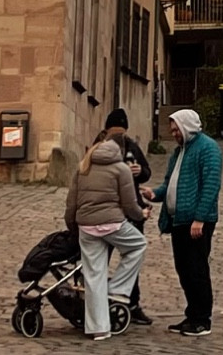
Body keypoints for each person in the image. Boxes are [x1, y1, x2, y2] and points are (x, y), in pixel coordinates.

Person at [65, 134, 148, 342]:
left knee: (93, 275)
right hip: (112, 223)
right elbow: (129, 205)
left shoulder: (83, 167)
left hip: (86, 225)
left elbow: (71, 204)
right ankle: (118, 290)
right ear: (118, 151)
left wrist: (73, 227)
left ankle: (99, 329)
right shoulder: (121, 169)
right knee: (138, 245)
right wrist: (142, 214)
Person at [148, 108, 222, 338]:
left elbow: (210, 186)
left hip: (196, 222)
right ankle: (192, 314)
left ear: (187, 126)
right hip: (179, 220)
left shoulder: (208, 149)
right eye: (172, 129)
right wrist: (153, 194)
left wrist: (199, 218)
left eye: (176, 128)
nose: (173, 133)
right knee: (184, 270)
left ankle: (202, 319)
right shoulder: (179, 152)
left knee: (197, 269)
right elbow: (170, 184)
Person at [99, 110, 154, 326]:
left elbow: (147, 172)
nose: (119, 136)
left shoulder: (131, 146)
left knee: (132, 257)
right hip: (108, 210)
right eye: (116, 132)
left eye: (122, 132)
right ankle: (99, 300)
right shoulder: (99, 146)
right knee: (99, 259)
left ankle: (131, 302)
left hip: (131, 211)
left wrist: (140, 172)